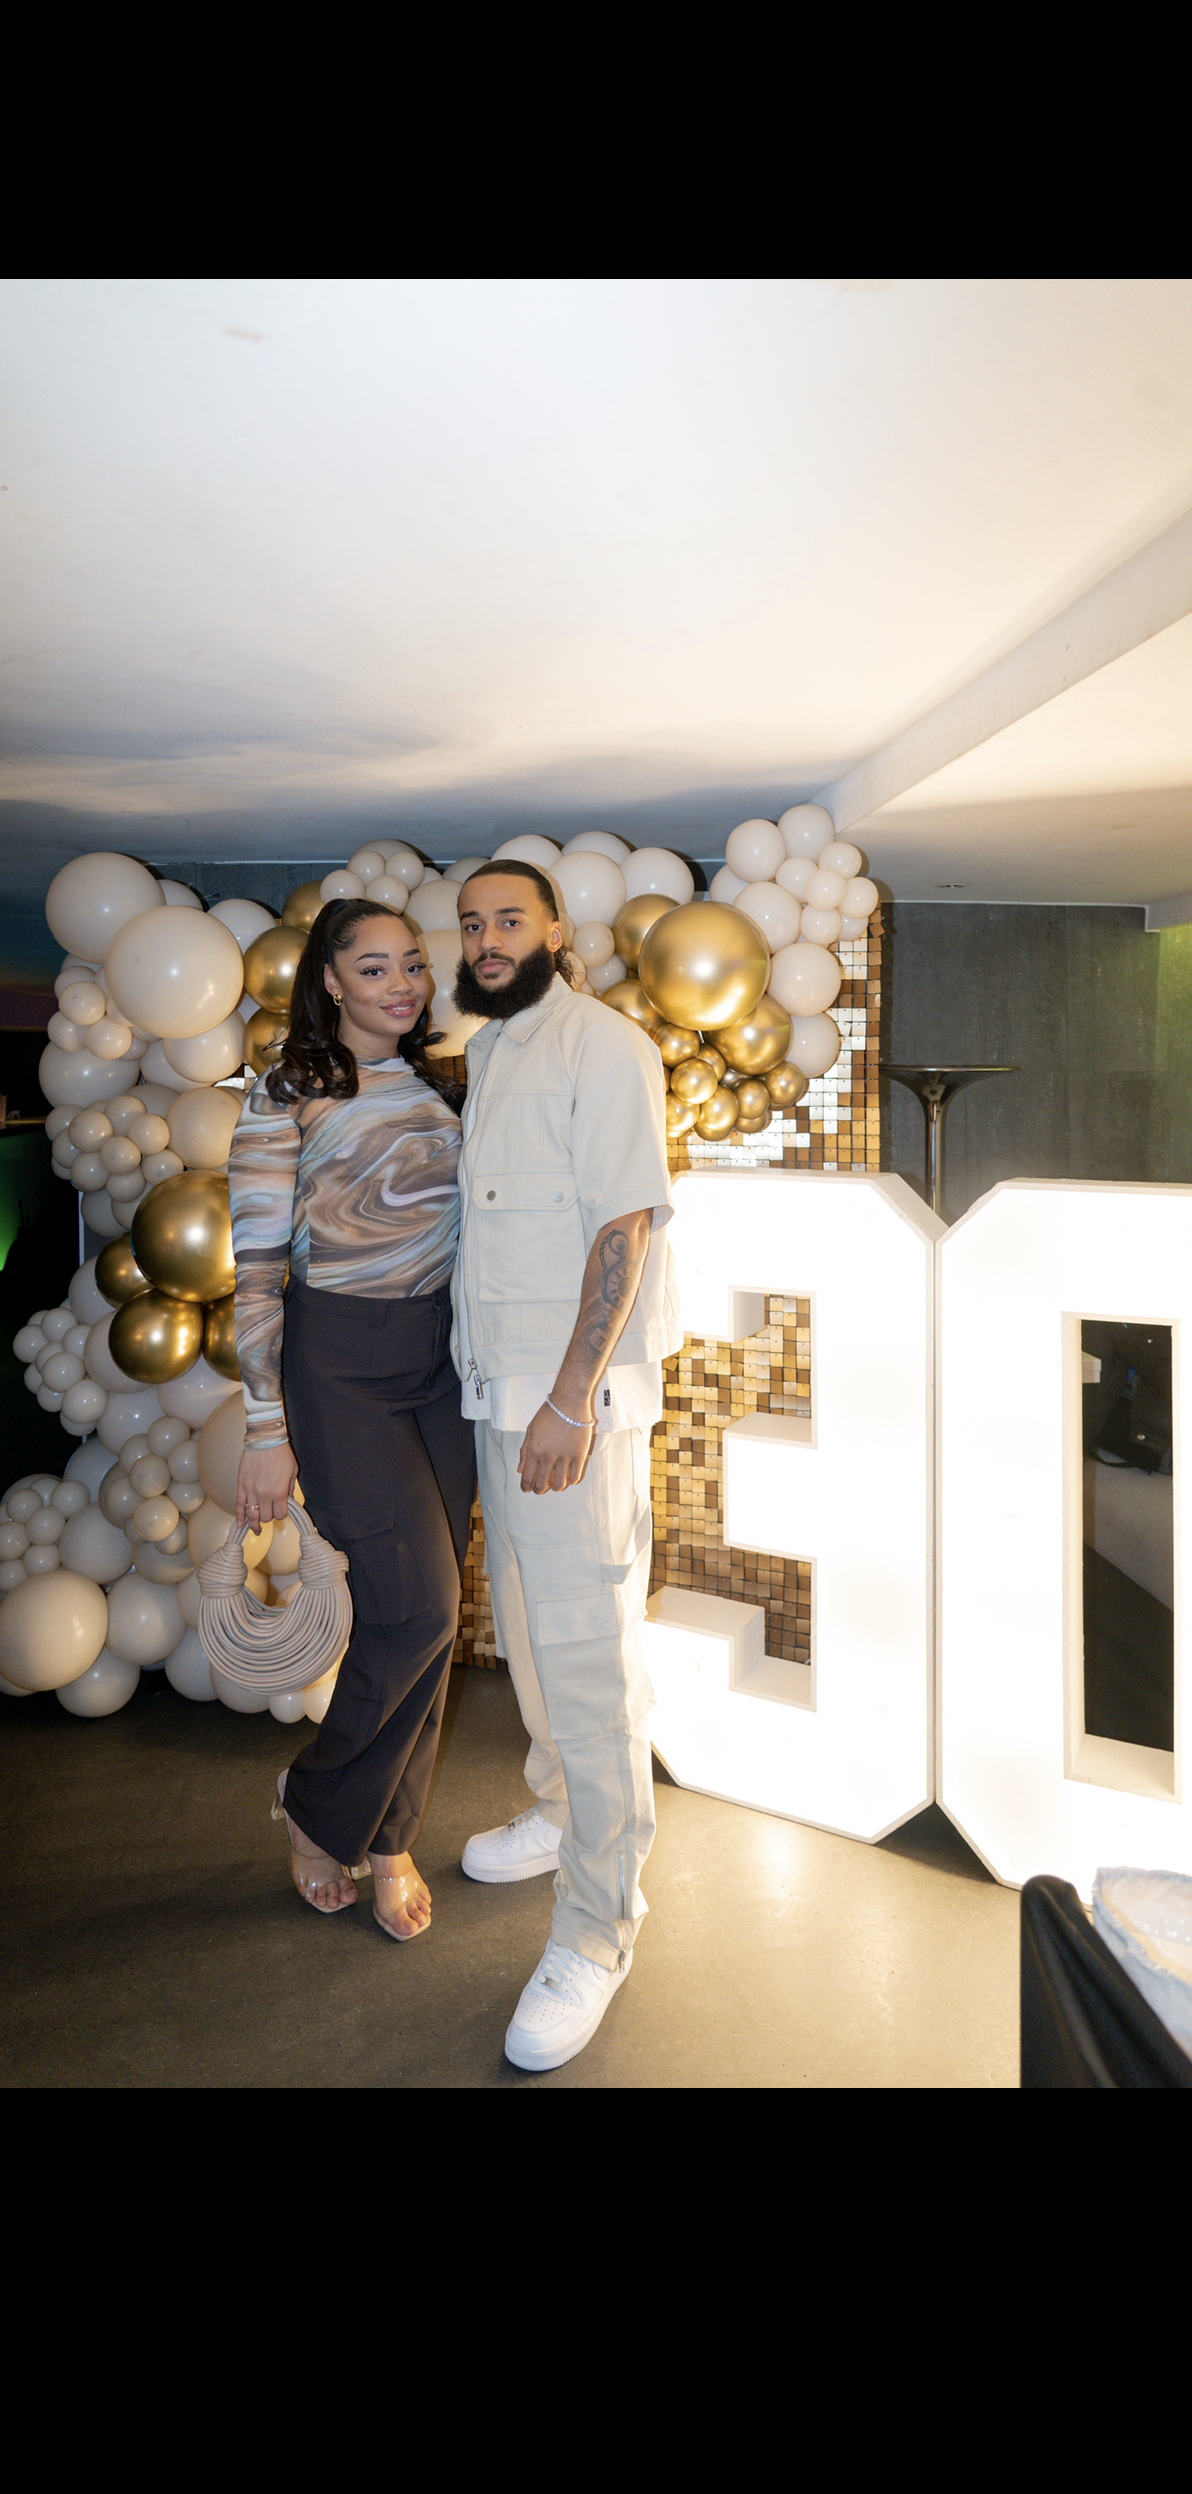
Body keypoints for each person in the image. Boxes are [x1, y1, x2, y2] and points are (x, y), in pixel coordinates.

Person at [451, 860, 678, 2069]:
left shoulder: (604, 1044)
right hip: (502, 1400)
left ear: (555, 930)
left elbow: (622, 1224)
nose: (487, 941)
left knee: (588, 1668)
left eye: (509, 921)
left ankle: (600, 1925)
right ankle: (556, 1810)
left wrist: (570, 1399)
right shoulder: (489, 1054)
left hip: (565, 1412)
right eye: (472, 924)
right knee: (534, 1643)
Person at [228, 899, 475, 1941]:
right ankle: (316, 1798)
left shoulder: (444, 1079)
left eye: (412, 964)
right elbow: (253, 1270)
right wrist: (261, 1425)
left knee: (433, 1613)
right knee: (416, 1610)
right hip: (338, 1367)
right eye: (374, 968)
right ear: (330, 981)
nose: (401, 983)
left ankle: (387, 1837)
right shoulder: (284, 1089)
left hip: (441, 1362)